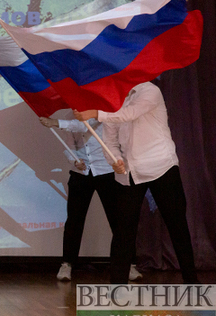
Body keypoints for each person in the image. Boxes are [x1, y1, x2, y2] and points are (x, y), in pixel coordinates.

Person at [74, 81, 198, 284]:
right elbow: (110, 140)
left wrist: (95, 113)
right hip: (130, 171)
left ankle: (192, 282)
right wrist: (114, 159)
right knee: (123, 230)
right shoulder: (113, 102)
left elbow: (129, 114)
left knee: (177, 225)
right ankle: (117, 286)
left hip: (161, 166)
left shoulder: (150, 90)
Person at [39, 117, 141, 282]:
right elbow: (69, 146)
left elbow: (82, 124)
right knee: (74, 220)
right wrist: (74, 160)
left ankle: (129, 265)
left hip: (106, 171)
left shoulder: (104, 114)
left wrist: (57, 122)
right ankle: (67, 264)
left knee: (118, 220)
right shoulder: (70, 114)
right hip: (82, 173)